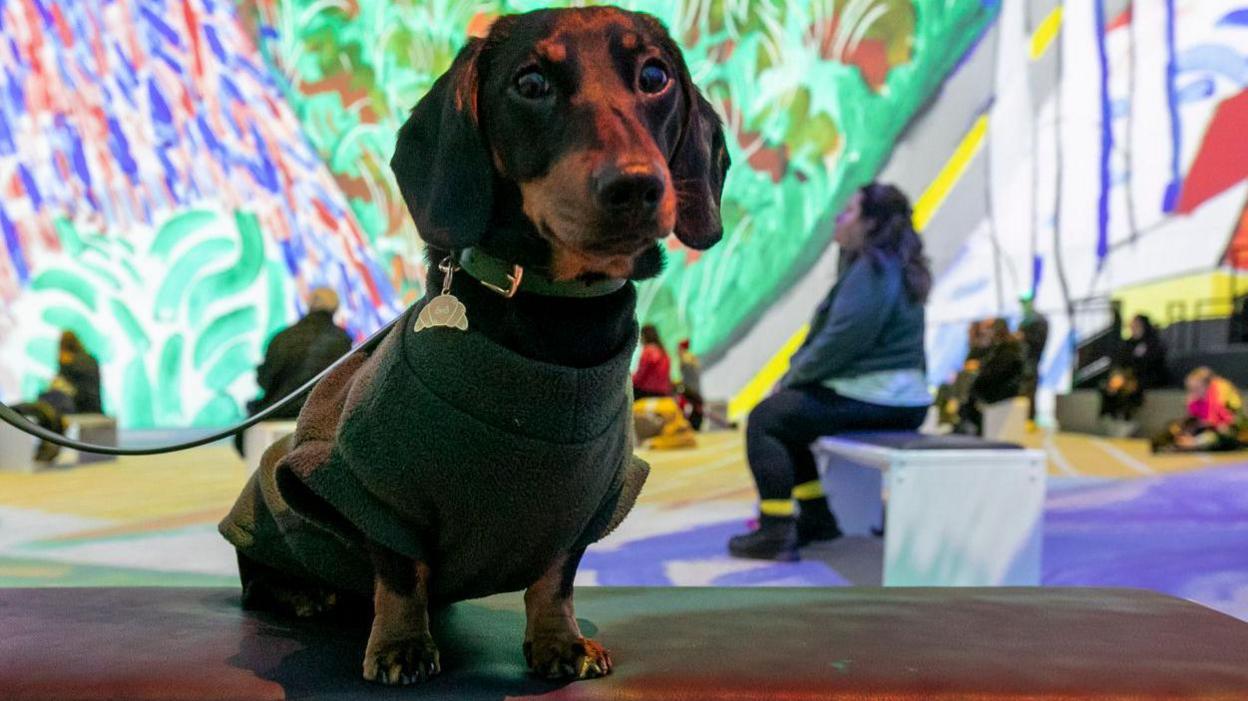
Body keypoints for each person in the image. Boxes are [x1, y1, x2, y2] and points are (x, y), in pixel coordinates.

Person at [728, 183, 932, 561]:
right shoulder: (887, 263)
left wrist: (791, 378)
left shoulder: (874, 267)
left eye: (849, 211)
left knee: (766, 419)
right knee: (789, 423)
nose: (839, 218)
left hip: (882, 398)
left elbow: (841, 340)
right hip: (895, 398)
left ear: (870, 223)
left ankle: (775, 529)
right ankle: (818, 517)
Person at [236, 287, 352, 455]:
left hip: (280, 410)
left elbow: (265, 380)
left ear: (309, 305)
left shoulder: (283, 337)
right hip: (321, 414)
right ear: (335, 308)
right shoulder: (342, 341)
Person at [12, 331, 103, 462]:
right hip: (91, 405)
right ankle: (48, 446)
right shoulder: (91, 359)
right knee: (50, 408)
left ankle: (47, 446)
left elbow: (63, 385)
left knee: (48, 409)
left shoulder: (68, 360)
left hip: (76, 405)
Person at [956, 318, 1024, 436]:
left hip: (1003, 390)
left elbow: (995, 371)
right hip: (1002, 388)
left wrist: (979, 372)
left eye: (990, 329)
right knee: (970, 391)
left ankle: (972, 425)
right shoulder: (1005, 347)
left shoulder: (1008, 349)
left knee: (970, 393)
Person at [1151, 368, 1245, 453]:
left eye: (1196, 389)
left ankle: (1195, 444)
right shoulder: (1197, 397)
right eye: (1190, 389)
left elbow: (1220, 423)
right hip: (1213, 425)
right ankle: (1188, 443)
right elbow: (1194, 419)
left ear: (1207, 386)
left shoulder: (1220, 392)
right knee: (1176, 426)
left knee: (1220, 434)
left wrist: (1195, 441)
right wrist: (1184, 431)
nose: (1192, 393)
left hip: (1233, 428)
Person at [1100, 314, 1168, 430]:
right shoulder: (1127, 343)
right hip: (1126, 375)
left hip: (1148, 376)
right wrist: (1119, 375)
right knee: (1109, 386)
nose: (1133, 327)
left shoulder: (1152, 342)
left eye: (1136, 324)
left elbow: (1153, 363)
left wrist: (1131, 374)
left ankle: (1128, 418)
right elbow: (1119, 361)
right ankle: (1112, 416)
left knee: (1131, 388)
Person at [1017, 294, 1048, 426]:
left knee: (1029, 391)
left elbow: (1037, 341)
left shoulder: (1037, 320)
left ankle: (1029, 419)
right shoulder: (1026, 319)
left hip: (1031, 361)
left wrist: (1023, 336)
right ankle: (1023, 418)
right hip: (1024, 362)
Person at [632, 325, 672, 399]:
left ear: (644, 336)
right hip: (662, 393)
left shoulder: (648, 351)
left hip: (647, 392)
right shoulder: (663, 351)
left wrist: (628, 380)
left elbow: (640, 376)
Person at [676, 339, 704, 430]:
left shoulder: (685, 359)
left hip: (690, 389)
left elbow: (687, 379)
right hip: (696, 389)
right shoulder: (692, 358)